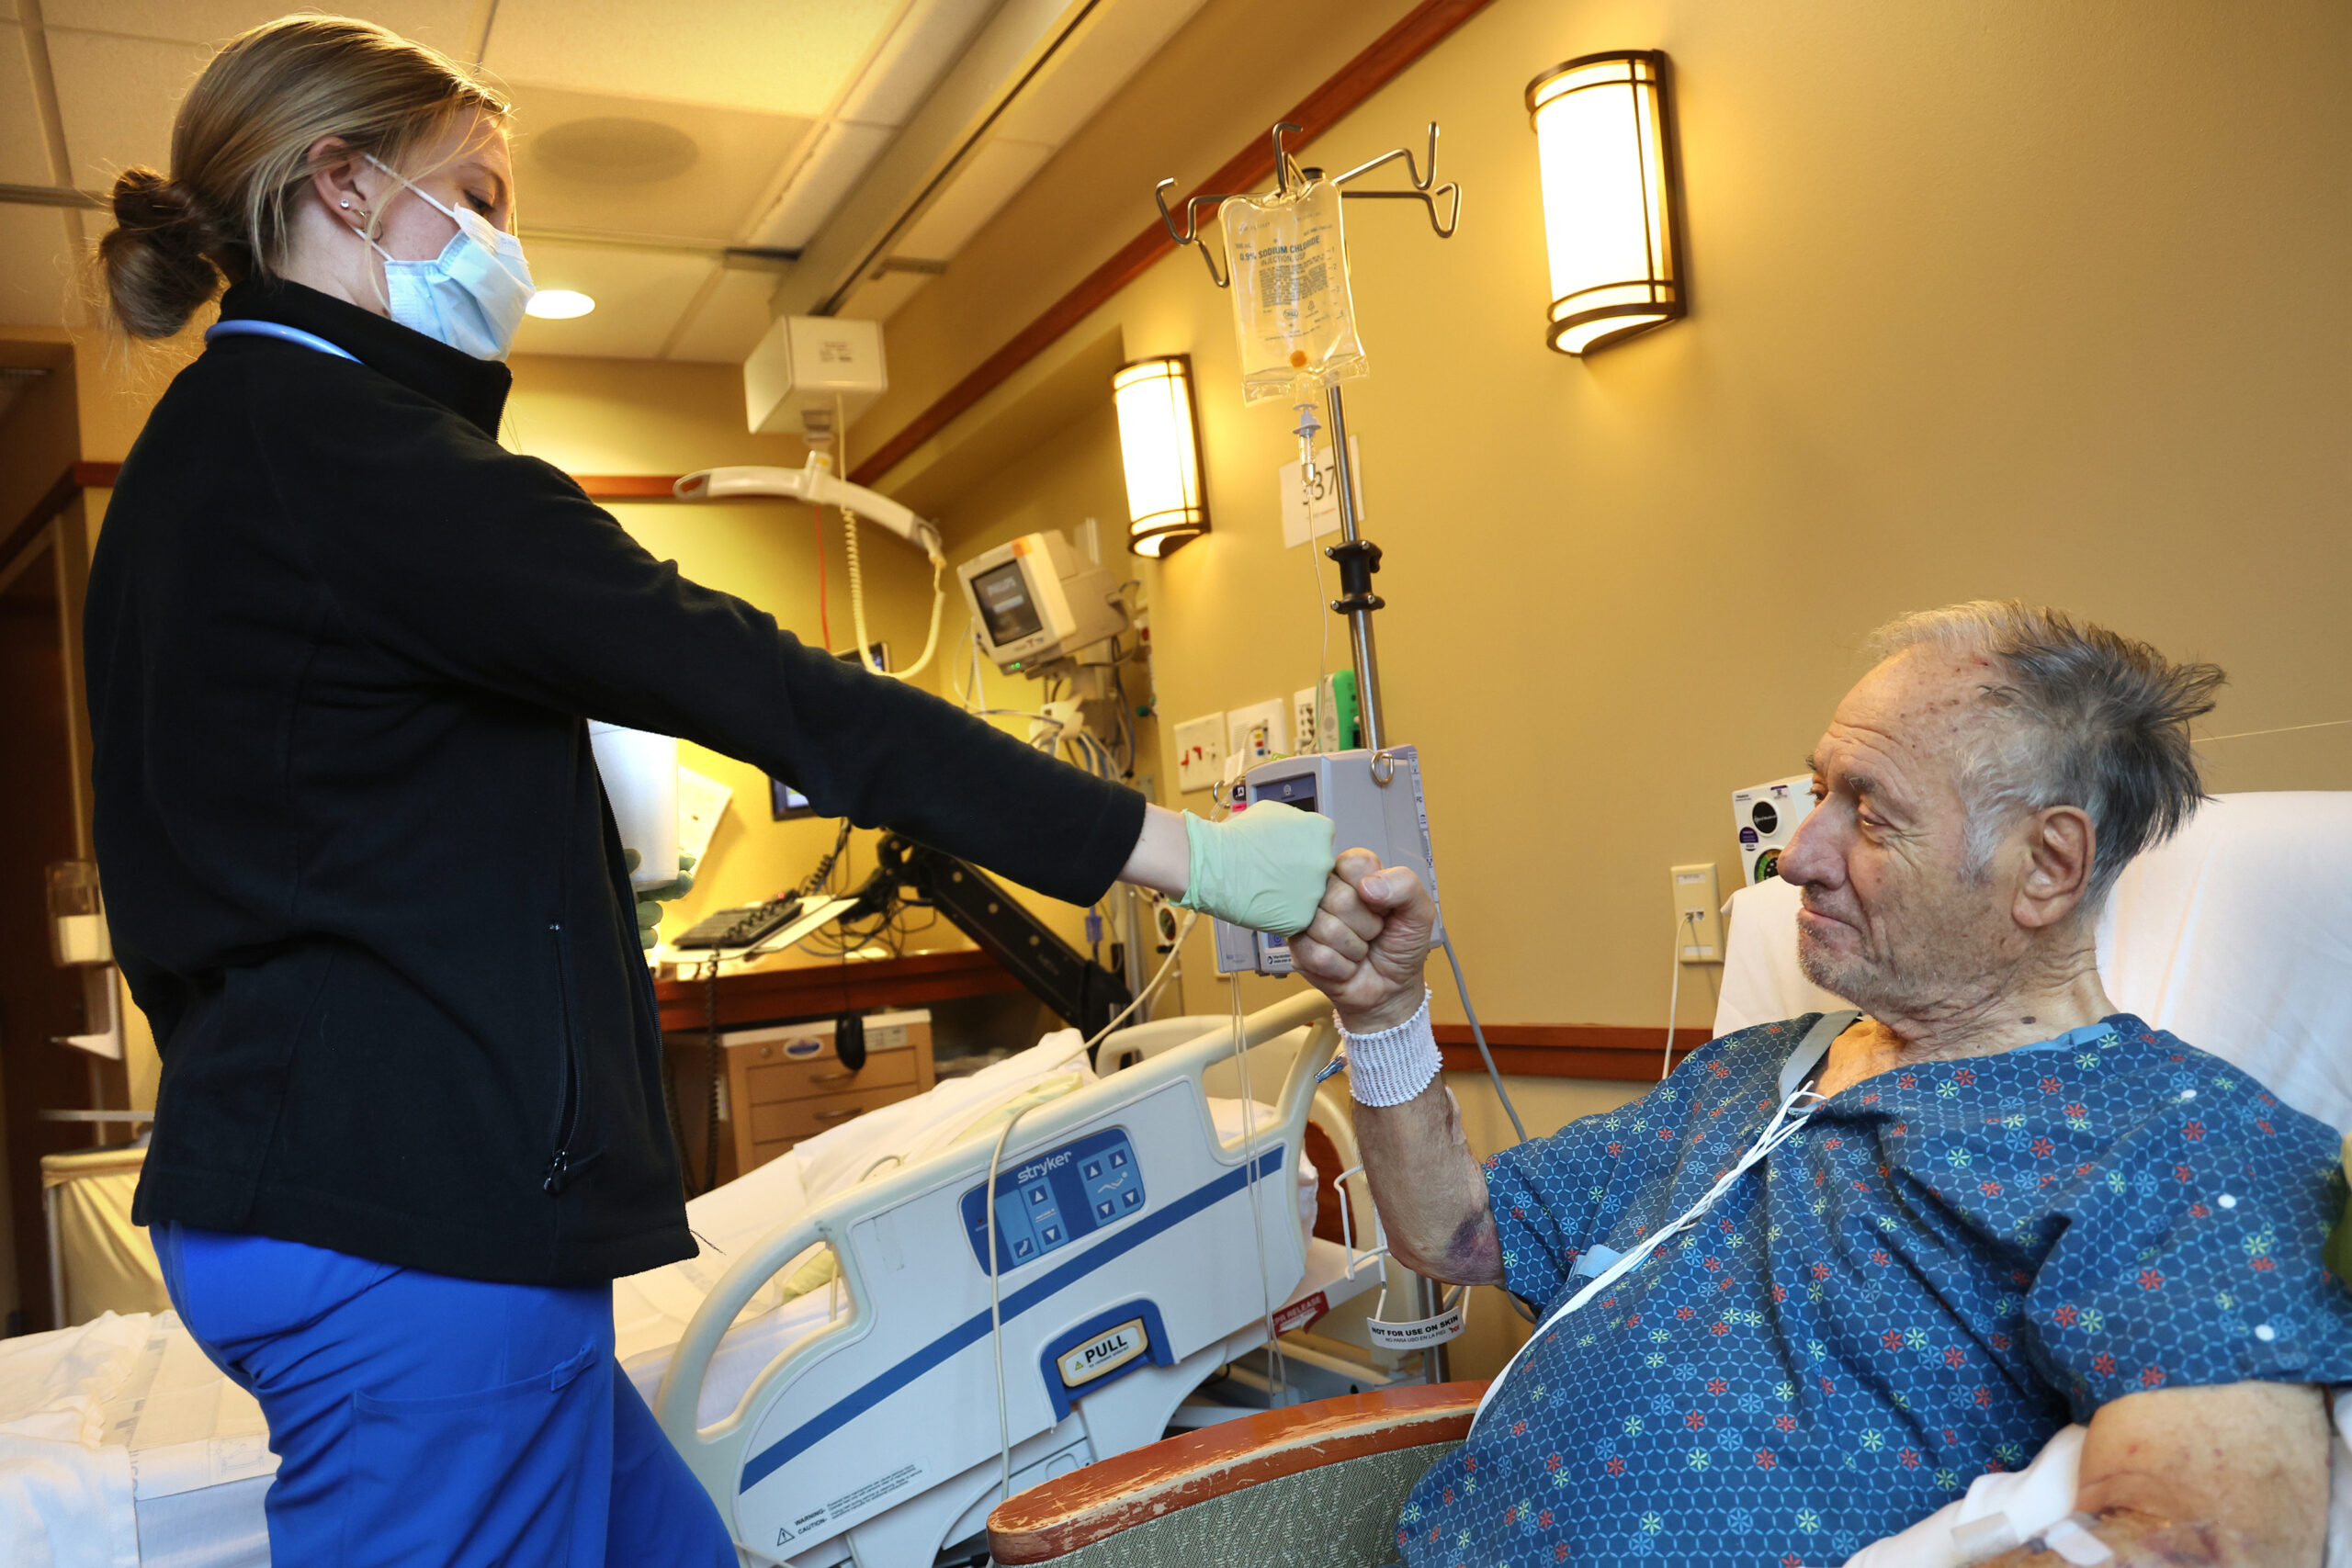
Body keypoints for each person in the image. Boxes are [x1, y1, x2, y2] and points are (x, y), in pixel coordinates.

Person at [83, 17, 1330, 1567]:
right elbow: (781, 696)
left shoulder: (195, 465)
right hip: (410, 1218)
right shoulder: (355, 455)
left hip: (311, 1182)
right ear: (340, 184)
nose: (505, 241)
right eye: (476, 191)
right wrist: (1199, 857)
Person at [1289, 601, 2352, 1568]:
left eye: (1869, 813)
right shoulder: (1752, 1073)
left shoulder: (2181, 1145)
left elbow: (2194, 1546)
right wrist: (1382, 1015)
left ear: (2047, 866)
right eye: (1815, 795)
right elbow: (1458, 1237)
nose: (1796, 855)